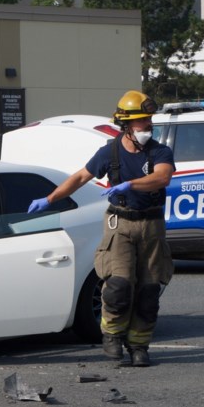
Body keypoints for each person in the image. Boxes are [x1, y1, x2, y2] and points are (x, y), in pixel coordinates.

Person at [27, 90, 175, 367]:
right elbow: (81, 176)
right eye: (142, 121)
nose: (148, 125)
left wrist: (131, 184)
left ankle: (139, 345)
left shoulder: (159, 151)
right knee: (118, 286)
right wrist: (49, 199)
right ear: (127, 125)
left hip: (152, 225)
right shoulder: (109, 152)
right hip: (120, 224)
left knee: (148, 290)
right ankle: (112, 336)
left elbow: (162, 177)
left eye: (149, 120)